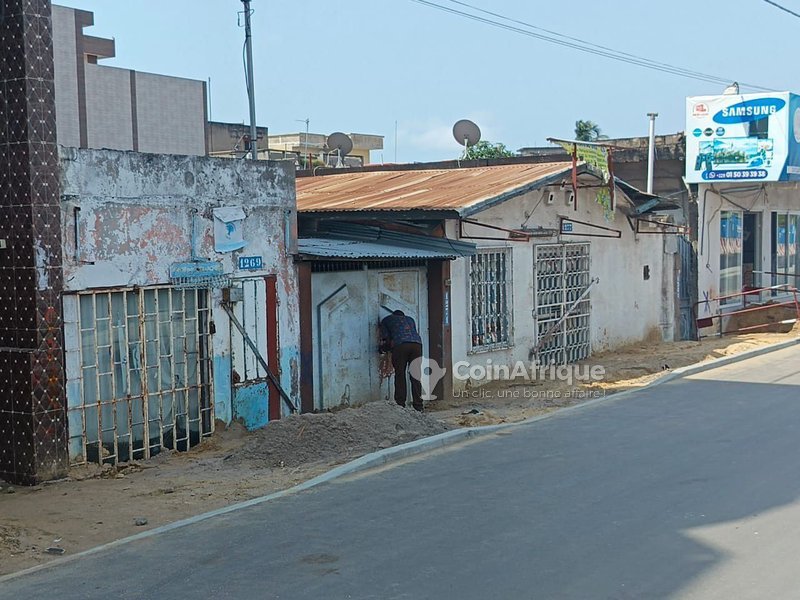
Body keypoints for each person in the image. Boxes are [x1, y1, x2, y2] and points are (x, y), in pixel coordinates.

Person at [379, 309, 424, 411]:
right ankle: (418, 406)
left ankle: (400, 404)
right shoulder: (410, 319)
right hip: (417, 345)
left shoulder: (387, 320)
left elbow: (386, 339)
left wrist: (383, 349)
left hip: (401, 345)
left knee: (400, 375)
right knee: (415, 376)